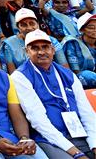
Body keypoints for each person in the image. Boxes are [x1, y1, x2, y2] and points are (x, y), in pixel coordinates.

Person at [11, 29, 96, 158]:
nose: (41, 52)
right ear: (27, 51)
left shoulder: (68, 74)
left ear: (53, 50)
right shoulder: (20, 76)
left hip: (78, 134)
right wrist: (76, 152)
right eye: (35, 48)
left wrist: (94, 145)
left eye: (45, 47)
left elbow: (87, 114)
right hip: (49, 139)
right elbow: (38, 121)